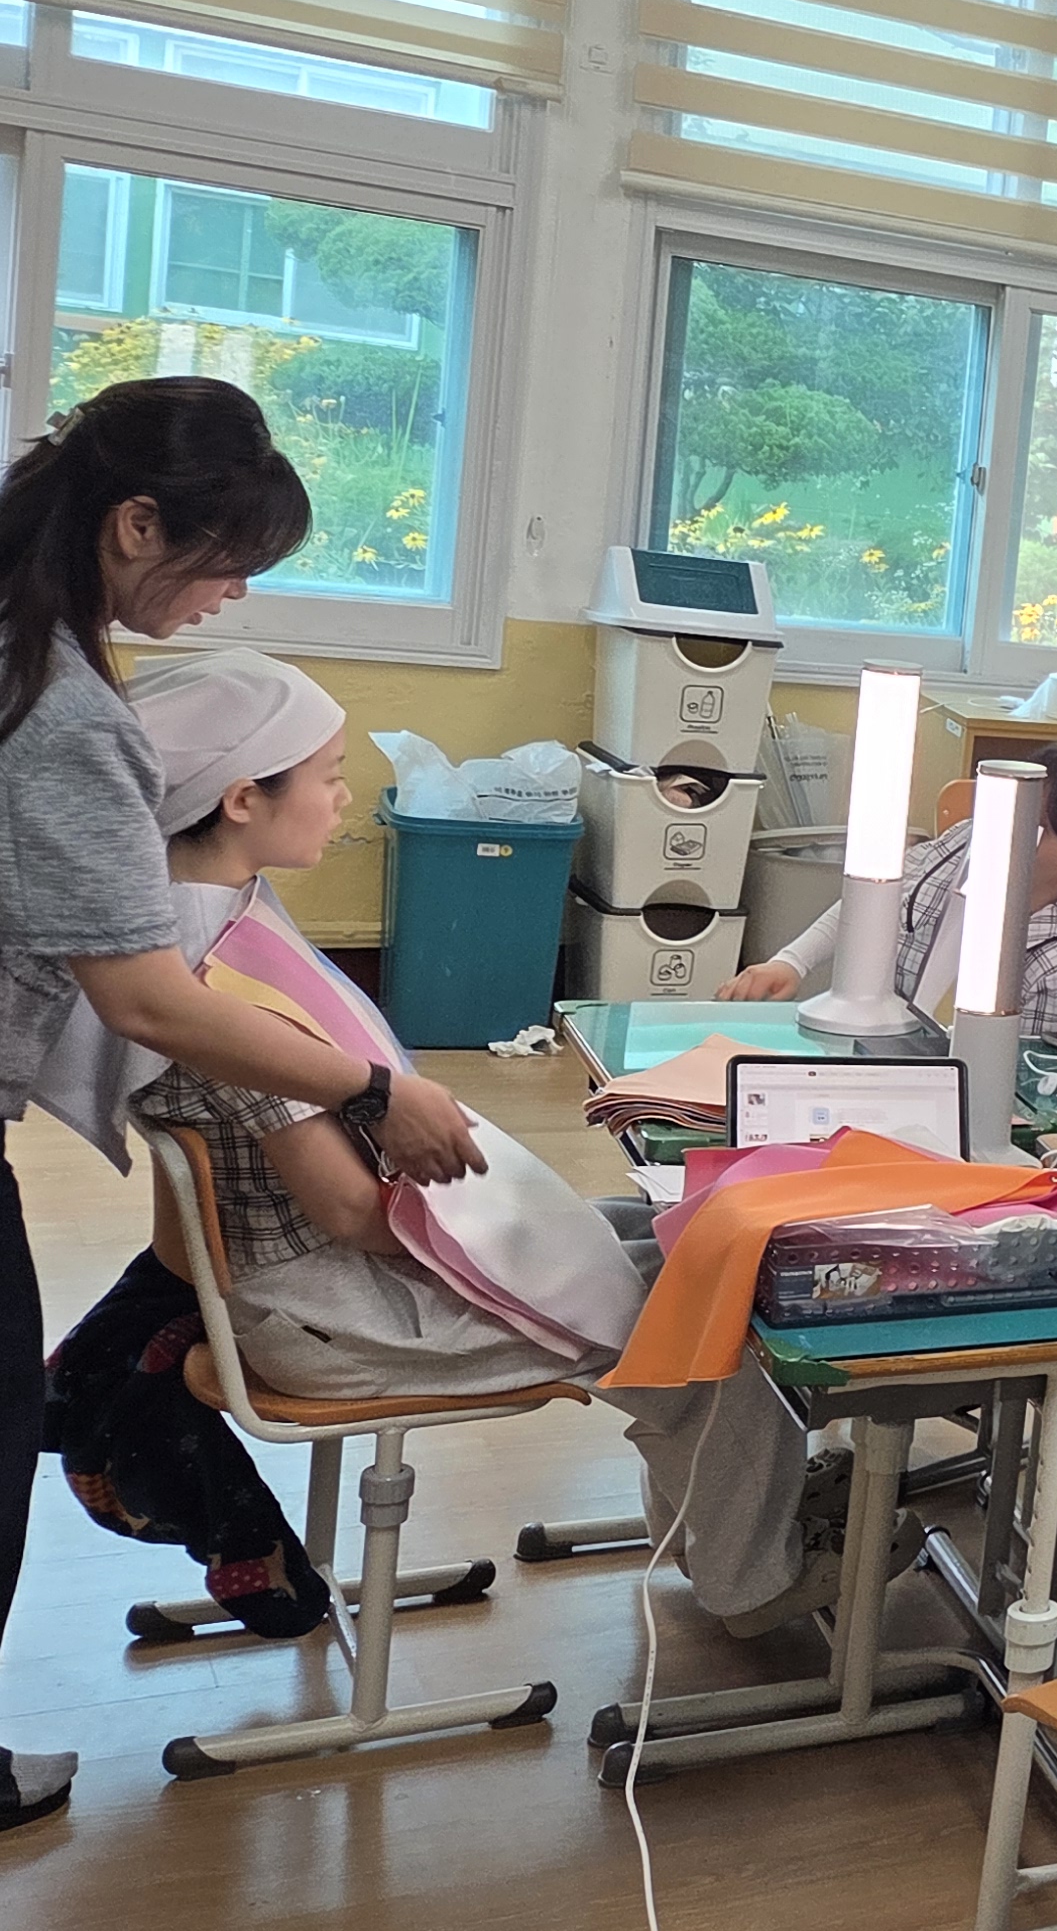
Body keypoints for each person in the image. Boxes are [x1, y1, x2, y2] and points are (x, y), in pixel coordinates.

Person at [60, 654, 831, 1635]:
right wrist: (506, 1227)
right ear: (242, 798)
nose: (346, 797)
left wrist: (532, 1223)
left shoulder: (178, 933)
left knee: (666, 1232)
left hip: (309, 1284)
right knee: (716, 1317)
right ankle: (753, 1583)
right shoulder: (229, 994)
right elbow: (352, 1212)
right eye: (330, 776)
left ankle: (715, 1528)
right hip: (337, 1312)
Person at [0, 380, 480, 1837]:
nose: (235, 595)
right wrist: (377, 1087)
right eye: (227, 562)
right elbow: (151, 1003)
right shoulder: (59, 706)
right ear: (136, 523)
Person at [721, 742, 1057, 1037]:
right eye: (1004, 806)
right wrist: (792, 961)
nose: (999, 829)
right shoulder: (969, 838)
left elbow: (1018, 1099)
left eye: (1031, 826)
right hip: (882, 1049)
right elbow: (877, 902)